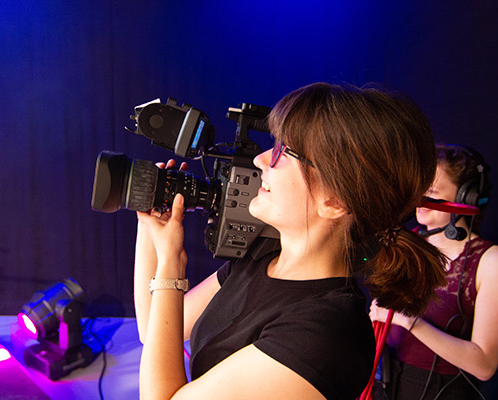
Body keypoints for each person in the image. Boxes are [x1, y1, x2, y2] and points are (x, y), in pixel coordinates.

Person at [134, 82, 446, 400]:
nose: (261, 160)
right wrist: (151, 224)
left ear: (334, 201)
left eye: (284, 151)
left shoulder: (326, 333)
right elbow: (151, 327)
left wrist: (171, 262)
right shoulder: (259, 260)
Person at [370, 144, 498, 399]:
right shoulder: (404, 247)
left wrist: (410, 322)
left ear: (465, 197)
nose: (420, 198)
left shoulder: (491, 261)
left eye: (431, 191)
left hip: (443, 391)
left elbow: (485, 366)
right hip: (386, 383)